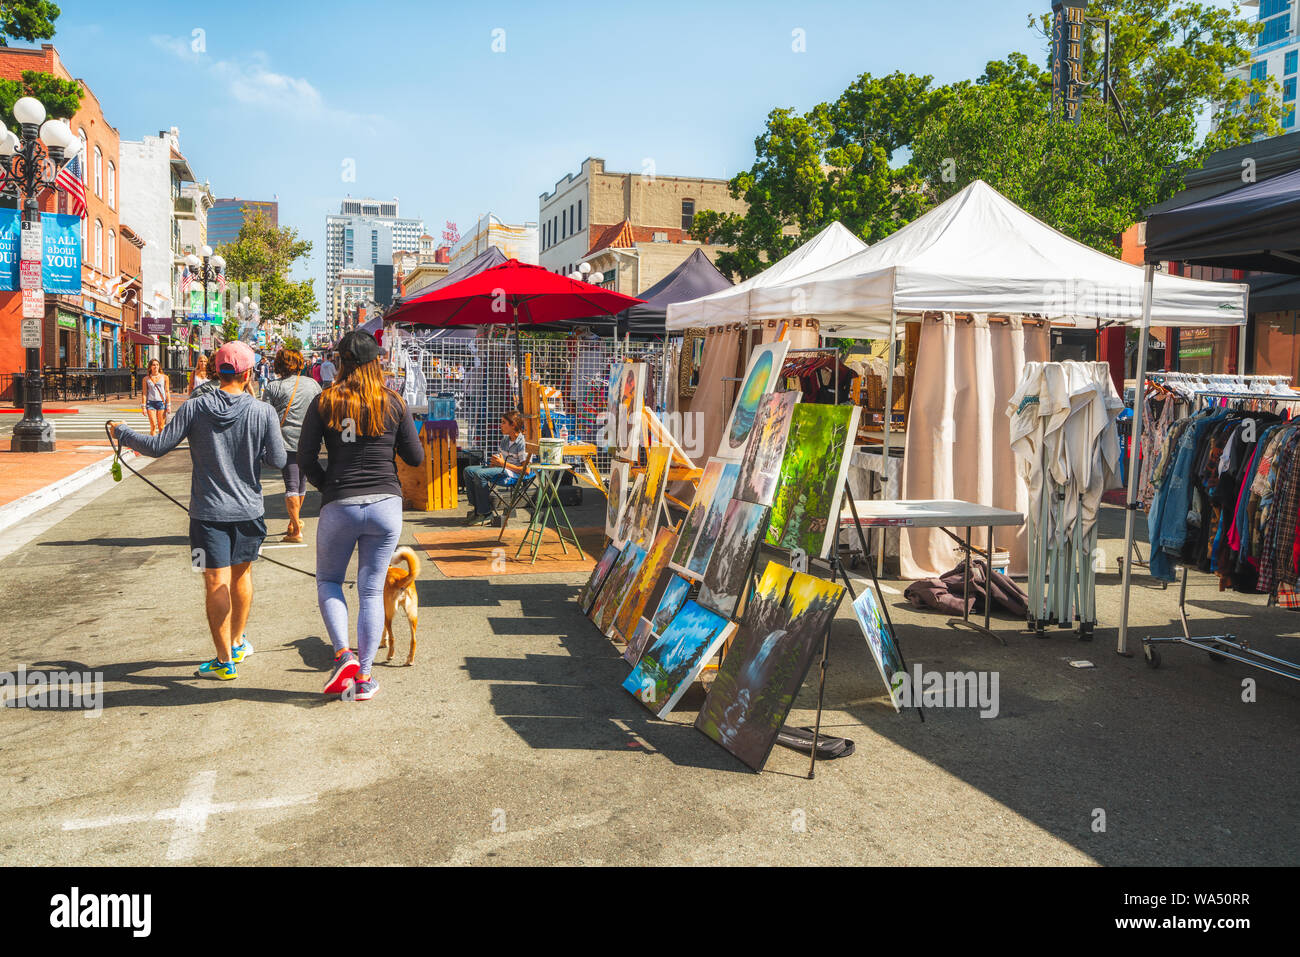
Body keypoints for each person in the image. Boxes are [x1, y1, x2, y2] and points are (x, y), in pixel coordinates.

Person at [110, 341, 286, 681]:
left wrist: (123, 432)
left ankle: (224, 660)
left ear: (215, 371)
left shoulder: (196, 407)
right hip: (249, 510)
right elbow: (278, 460)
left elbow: (158, 446)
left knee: (214, 581)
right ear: (249, 373)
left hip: (208, 513)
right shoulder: (263, 412)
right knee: (242, 576)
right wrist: (251, 454)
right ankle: (236, 642)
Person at [298, 330, 423, 701]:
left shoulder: (324, 402)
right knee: (371, 590)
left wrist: (329, 487)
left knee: (330, 581)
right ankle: (365, 678)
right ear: (376, 363)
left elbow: (304, 459)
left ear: (339, 362)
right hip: (386, 505)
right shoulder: (394, 402)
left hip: (340, 503)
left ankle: (343, 654)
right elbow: (415, 458)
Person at [261, 347, 322, 543]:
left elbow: (266, 416)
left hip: (285, 441)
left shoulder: (273, 387)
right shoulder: (313, 384)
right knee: (301, 483)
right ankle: (293, 520)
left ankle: (296, 529)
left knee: (291, 484)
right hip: (310, 440)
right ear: (300, 364)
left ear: (278, 365)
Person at [463, 410, 528, 526]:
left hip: (513, 473)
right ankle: (478, 510)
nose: (500, 425)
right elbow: (501, 459)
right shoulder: (505, 440)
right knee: (468, 471)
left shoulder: (522, 442)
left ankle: (486, 513)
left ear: (513, 425)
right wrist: (495, 462)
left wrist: (502, 463)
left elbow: (526, 471)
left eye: (503, 423)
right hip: (503, 469)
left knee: (480, 474)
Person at [141, 358, 170, 436]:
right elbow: (144, 393)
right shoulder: (146, 379)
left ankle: (161, 444)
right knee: (153, 425)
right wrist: (143, 407)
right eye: (153, 365)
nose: (155, 366)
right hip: (151, 403)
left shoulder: (164, 377)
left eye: (157, 365)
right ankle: (153, 445)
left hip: (161, 402)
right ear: (150, 367)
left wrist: (169, 405)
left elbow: (167, 391)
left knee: (161, 426)